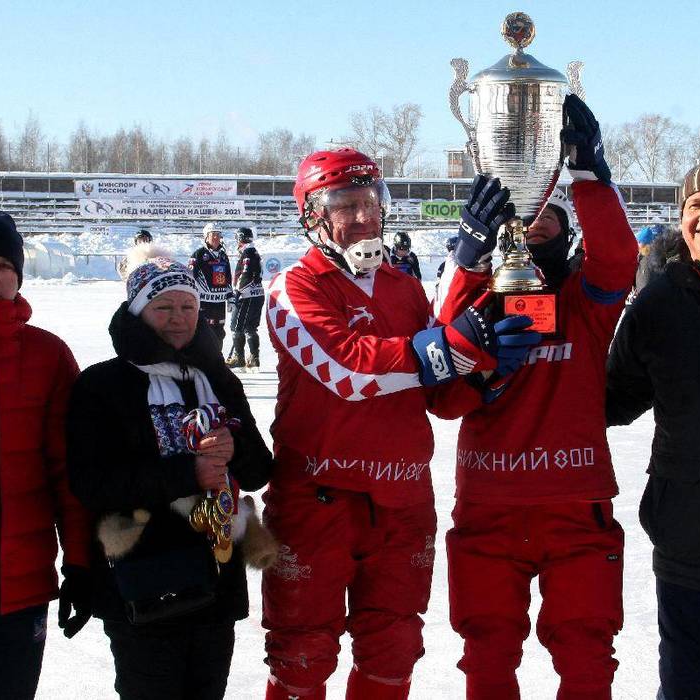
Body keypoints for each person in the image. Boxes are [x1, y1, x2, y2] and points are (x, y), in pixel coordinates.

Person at [262, 147, 540, 700]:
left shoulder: (403, 287)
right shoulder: (294, 287)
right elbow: (347, 371)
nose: (364, 217)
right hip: (319, 498)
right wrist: (458, 347)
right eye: (345, 205)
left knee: (393, 651)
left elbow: (438, 397)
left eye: (371, 201)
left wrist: (485, 375)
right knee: (303, 652)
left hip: (402, 502)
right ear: (312, 215)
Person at [433, 95, 638, 699]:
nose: (536, 215)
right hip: (490, 505)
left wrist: (589, 175)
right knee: (488, 657)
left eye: (550, 206)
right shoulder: (475, 298)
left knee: (587, 659)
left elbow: (618, 258)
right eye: (525, 207)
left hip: (575, 505)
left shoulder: (585, 302)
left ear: (568, 226)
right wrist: (469, 256)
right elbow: (439, 387)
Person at [66, 247, 274, 700]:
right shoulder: (103, 385)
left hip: (216, 580)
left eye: (188, 306)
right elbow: (92, 483)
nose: (178, 318)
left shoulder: (219, 378)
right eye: (163, 307)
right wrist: (188, 473)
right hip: (141, 584)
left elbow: (258, 471)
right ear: (139, 311)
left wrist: (233, 448)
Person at [606, 153, 700, 700]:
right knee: (689, 684)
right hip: (690, 529)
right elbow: (613, 398)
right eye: (694, 204)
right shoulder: (658, 303)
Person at [0, 209, 92, 700]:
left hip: (19, 590)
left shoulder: (48, 355)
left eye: (6, 266)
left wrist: (81, 562)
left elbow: (68, 470)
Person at [189, 223, 233, 352]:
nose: (216, 237)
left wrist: (230, 297)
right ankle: (201, 360)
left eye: (218, 235)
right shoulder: (198, 254)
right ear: (206, 237)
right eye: (213, 234)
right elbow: (191, 277)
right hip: (204, 302)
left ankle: (217, 360)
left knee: (219, 332)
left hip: (219, 302)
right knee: (203, 331)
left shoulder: (223, 255)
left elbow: (228, 278)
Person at [226, 227, 264, 371]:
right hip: (257, 294)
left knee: (236, 327)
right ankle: (254, 359)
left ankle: (239, 358)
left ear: (240, 238)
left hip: (246, 295)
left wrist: (237, 290)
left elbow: (246, 273)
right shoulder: (254, 251)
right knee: (250, 327)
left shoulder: (247, 252)